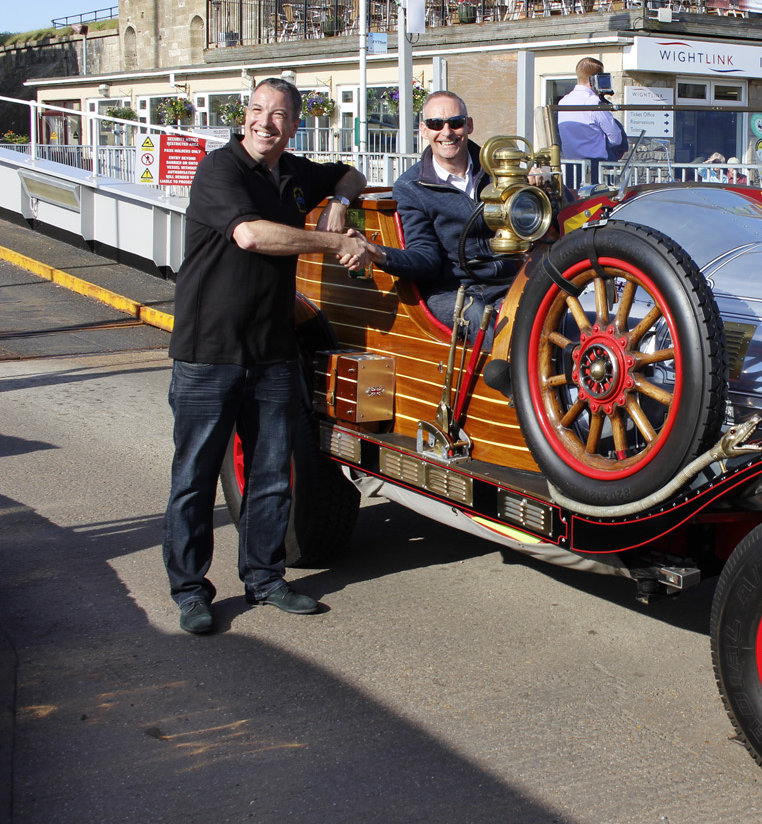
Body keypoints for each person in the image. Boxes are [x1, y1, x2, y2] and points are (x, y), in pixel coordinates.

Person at [164, 77, 376, 635]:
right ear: (244, 117)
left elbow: (353, 173)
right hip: (209, 353)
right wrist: (337, 241)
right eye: (257, 110)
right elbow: (252, 237)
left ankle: (263, 577)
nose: (266, 122)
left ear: (294, 124)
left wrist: (341, 201)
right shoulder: (220, 170)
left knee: (271, 476)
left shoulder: (295, 172)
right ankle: (190, 591)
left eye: (279, 114)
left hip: (274, 351)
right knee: (195, 476)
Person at [363, 90, 522, 331]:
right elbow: (426, 258)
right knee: (483, 321)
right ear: (424, 129)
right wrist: (379, 254)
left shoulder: (501, 170)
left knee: (558, 310)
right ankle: (504, 369)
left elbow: (541, 223)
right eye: (436, 124)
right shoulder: (411, 187)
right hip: (452, 290)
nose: (446, 132)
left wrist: (537, 184)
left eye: (455, 123)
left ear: (468, 125)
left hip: (509, 282)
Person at [557, 57, 624, 182]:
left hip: (570, 166)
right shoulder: (593, 102)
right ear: (595, 79)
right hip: (595, 168)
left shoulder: (563, 101)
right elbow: (616, 138)